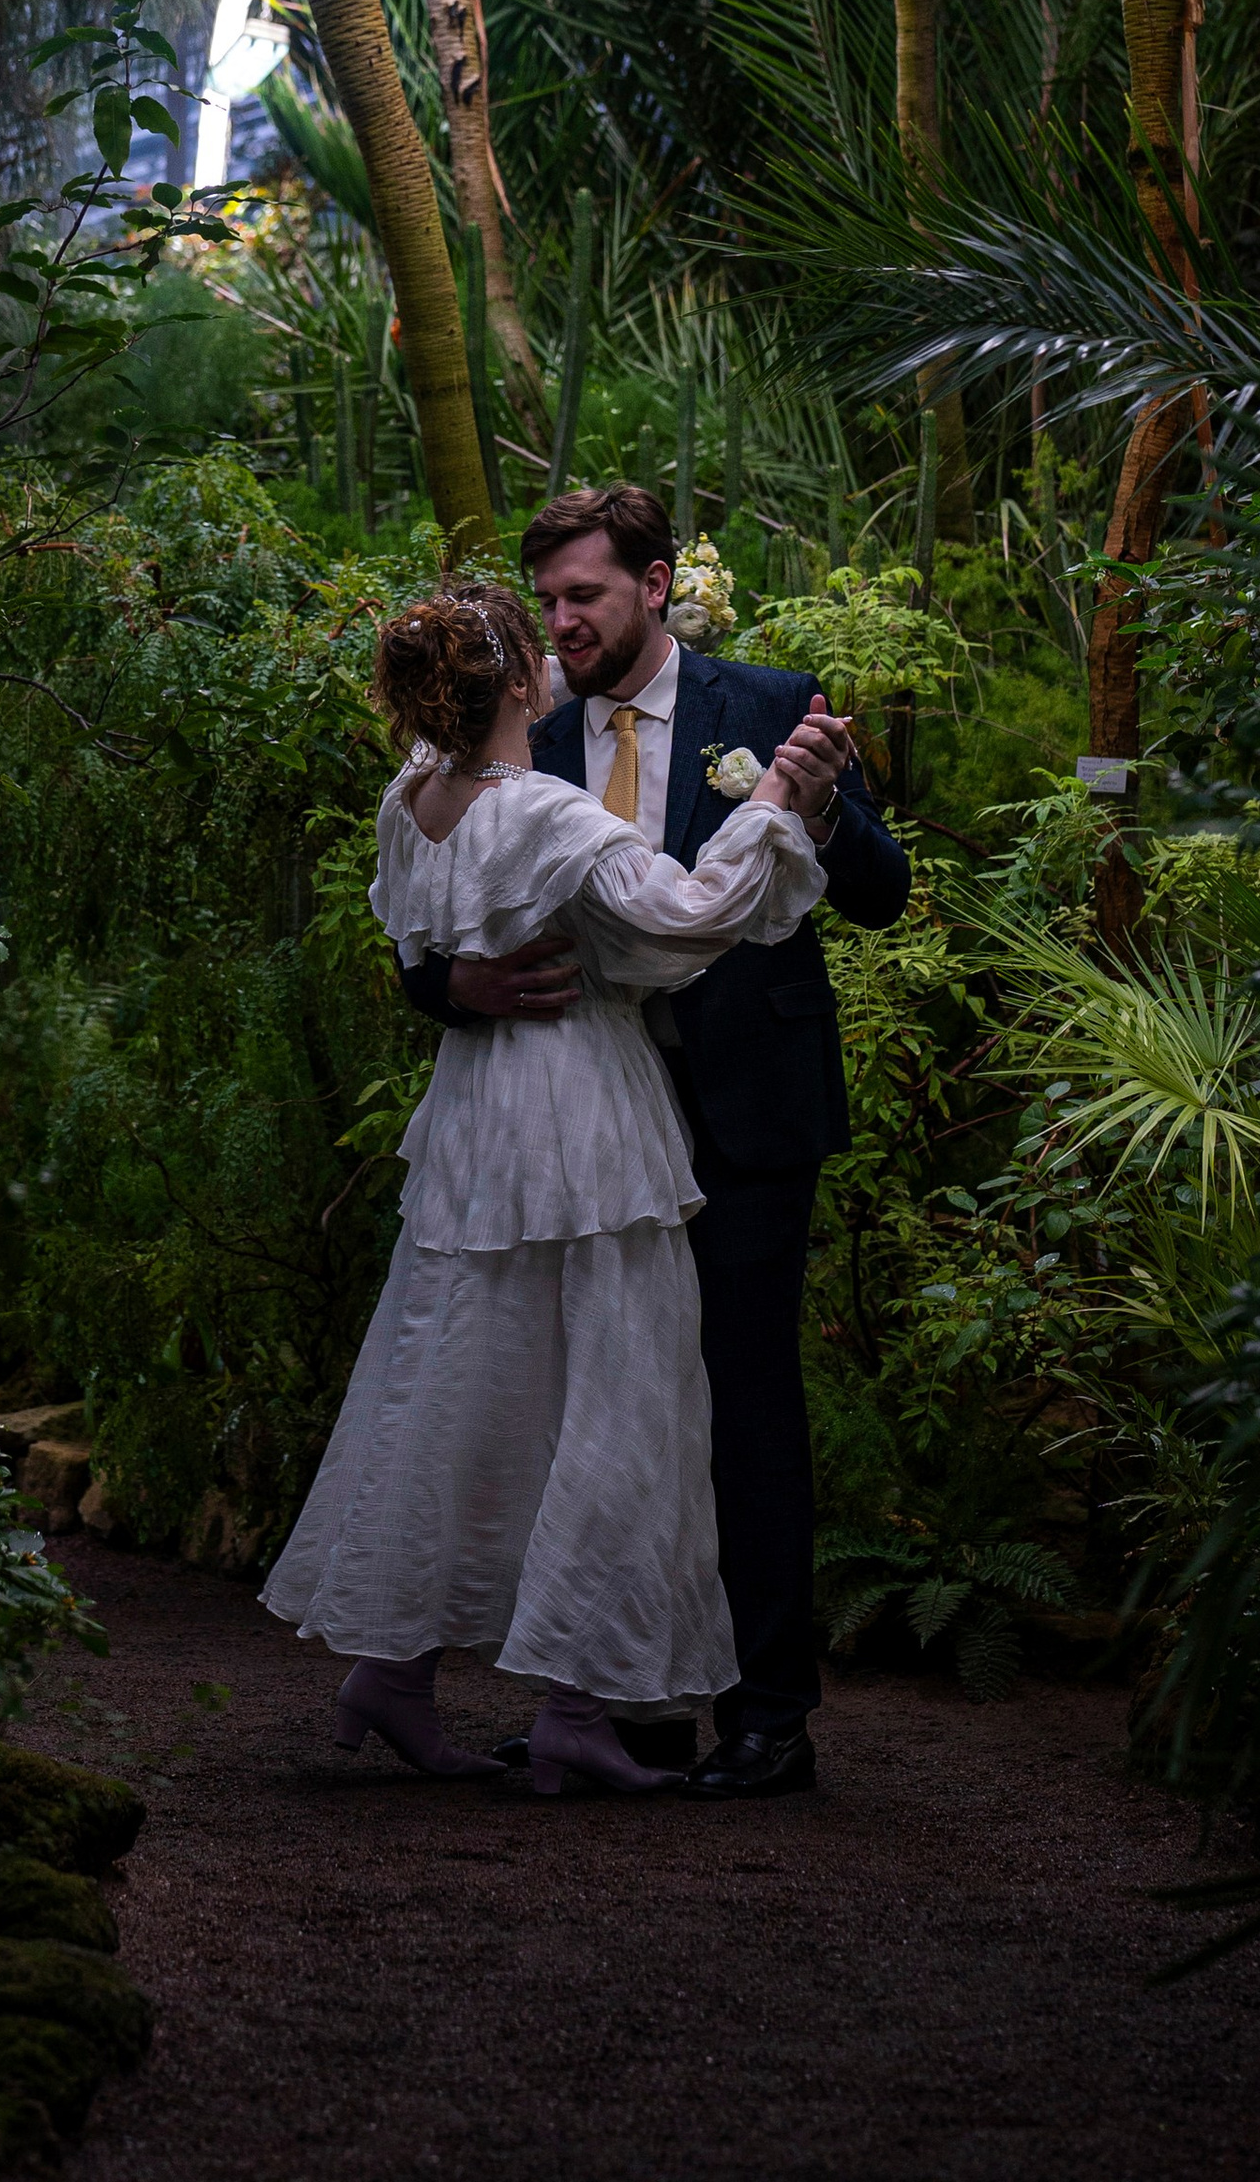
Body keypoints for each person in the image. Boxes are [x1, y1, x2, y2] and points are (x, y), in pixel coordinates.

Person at [260, 577, 853, 1794]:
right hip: (580, 1115)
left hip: (477, 1119)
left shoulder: (410, 799)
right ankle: (579, 1704)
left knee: (459, 1376)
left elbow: (424, 946)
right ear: (520, 680)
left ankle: (394, 1671)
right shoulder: (544, 810)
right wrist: (778, 804)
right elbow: (689, 915)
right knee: (616, 1388)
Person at [398, 486, 910, 1799]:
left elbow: (880, 889)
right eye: (551, 601)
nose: (564, 621)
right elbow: (430, 922)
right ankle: (625, 1702)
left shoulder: (768, 698)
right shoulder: (525, 734)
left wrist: (819, 795)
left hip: (742, 1112)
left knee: (741, 1408)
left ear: (657, 583)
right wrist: (458, 990)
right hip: (583, 1121)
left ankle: (767, 1718)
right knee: (604, 1416)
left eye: (587, 596)